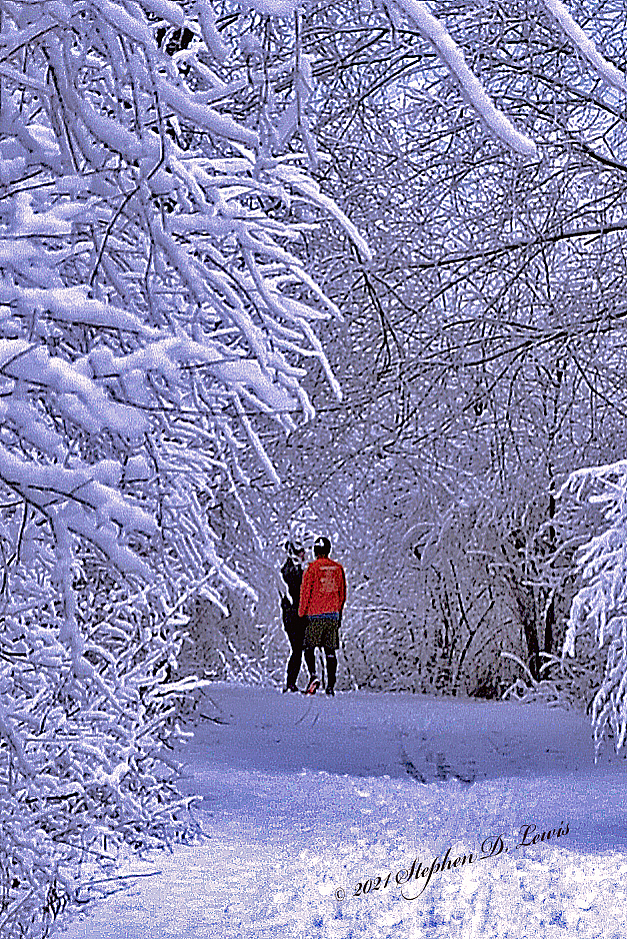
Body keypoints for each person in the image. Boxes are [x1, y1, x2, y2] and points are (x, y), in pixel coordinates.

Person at [298, 536, 346, 696]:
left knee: (309, 647)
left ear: (315, 551)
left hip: (315, 615)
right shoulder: (338, 569)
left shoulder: (311, 568)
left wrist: (301, 613)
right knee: (330, 651)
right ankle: (330, 685)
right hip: (332, 615)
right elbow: (342, 593)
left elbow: (305, 592)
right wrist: (338, 611)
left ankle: (313, 675)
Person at [280, 540, 306, 692]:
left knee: (299, 649)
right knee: (298, 649)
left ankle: (292, 681)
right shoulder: (291, 572)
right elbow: (296, 593)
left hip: (293, 616)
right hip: (295, 616)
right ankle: (291, 682)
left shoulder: (289, 570)